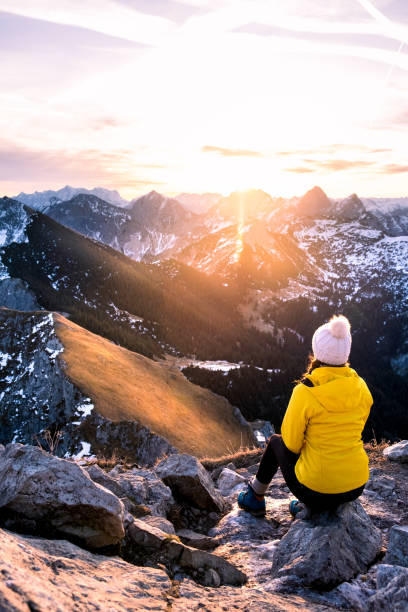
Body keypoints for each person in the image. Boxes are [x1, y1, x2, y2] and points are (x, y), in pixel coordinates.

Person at [238, 314, 373, 518]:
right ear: (346, 352)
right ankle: (309, 504)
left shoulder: (306, 390)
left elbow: (291, 444)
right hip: (356, 486)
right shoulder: (361, 386)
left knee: (276, 442)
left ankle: (254, 498)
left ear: (317, 351)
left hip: (316, 490)